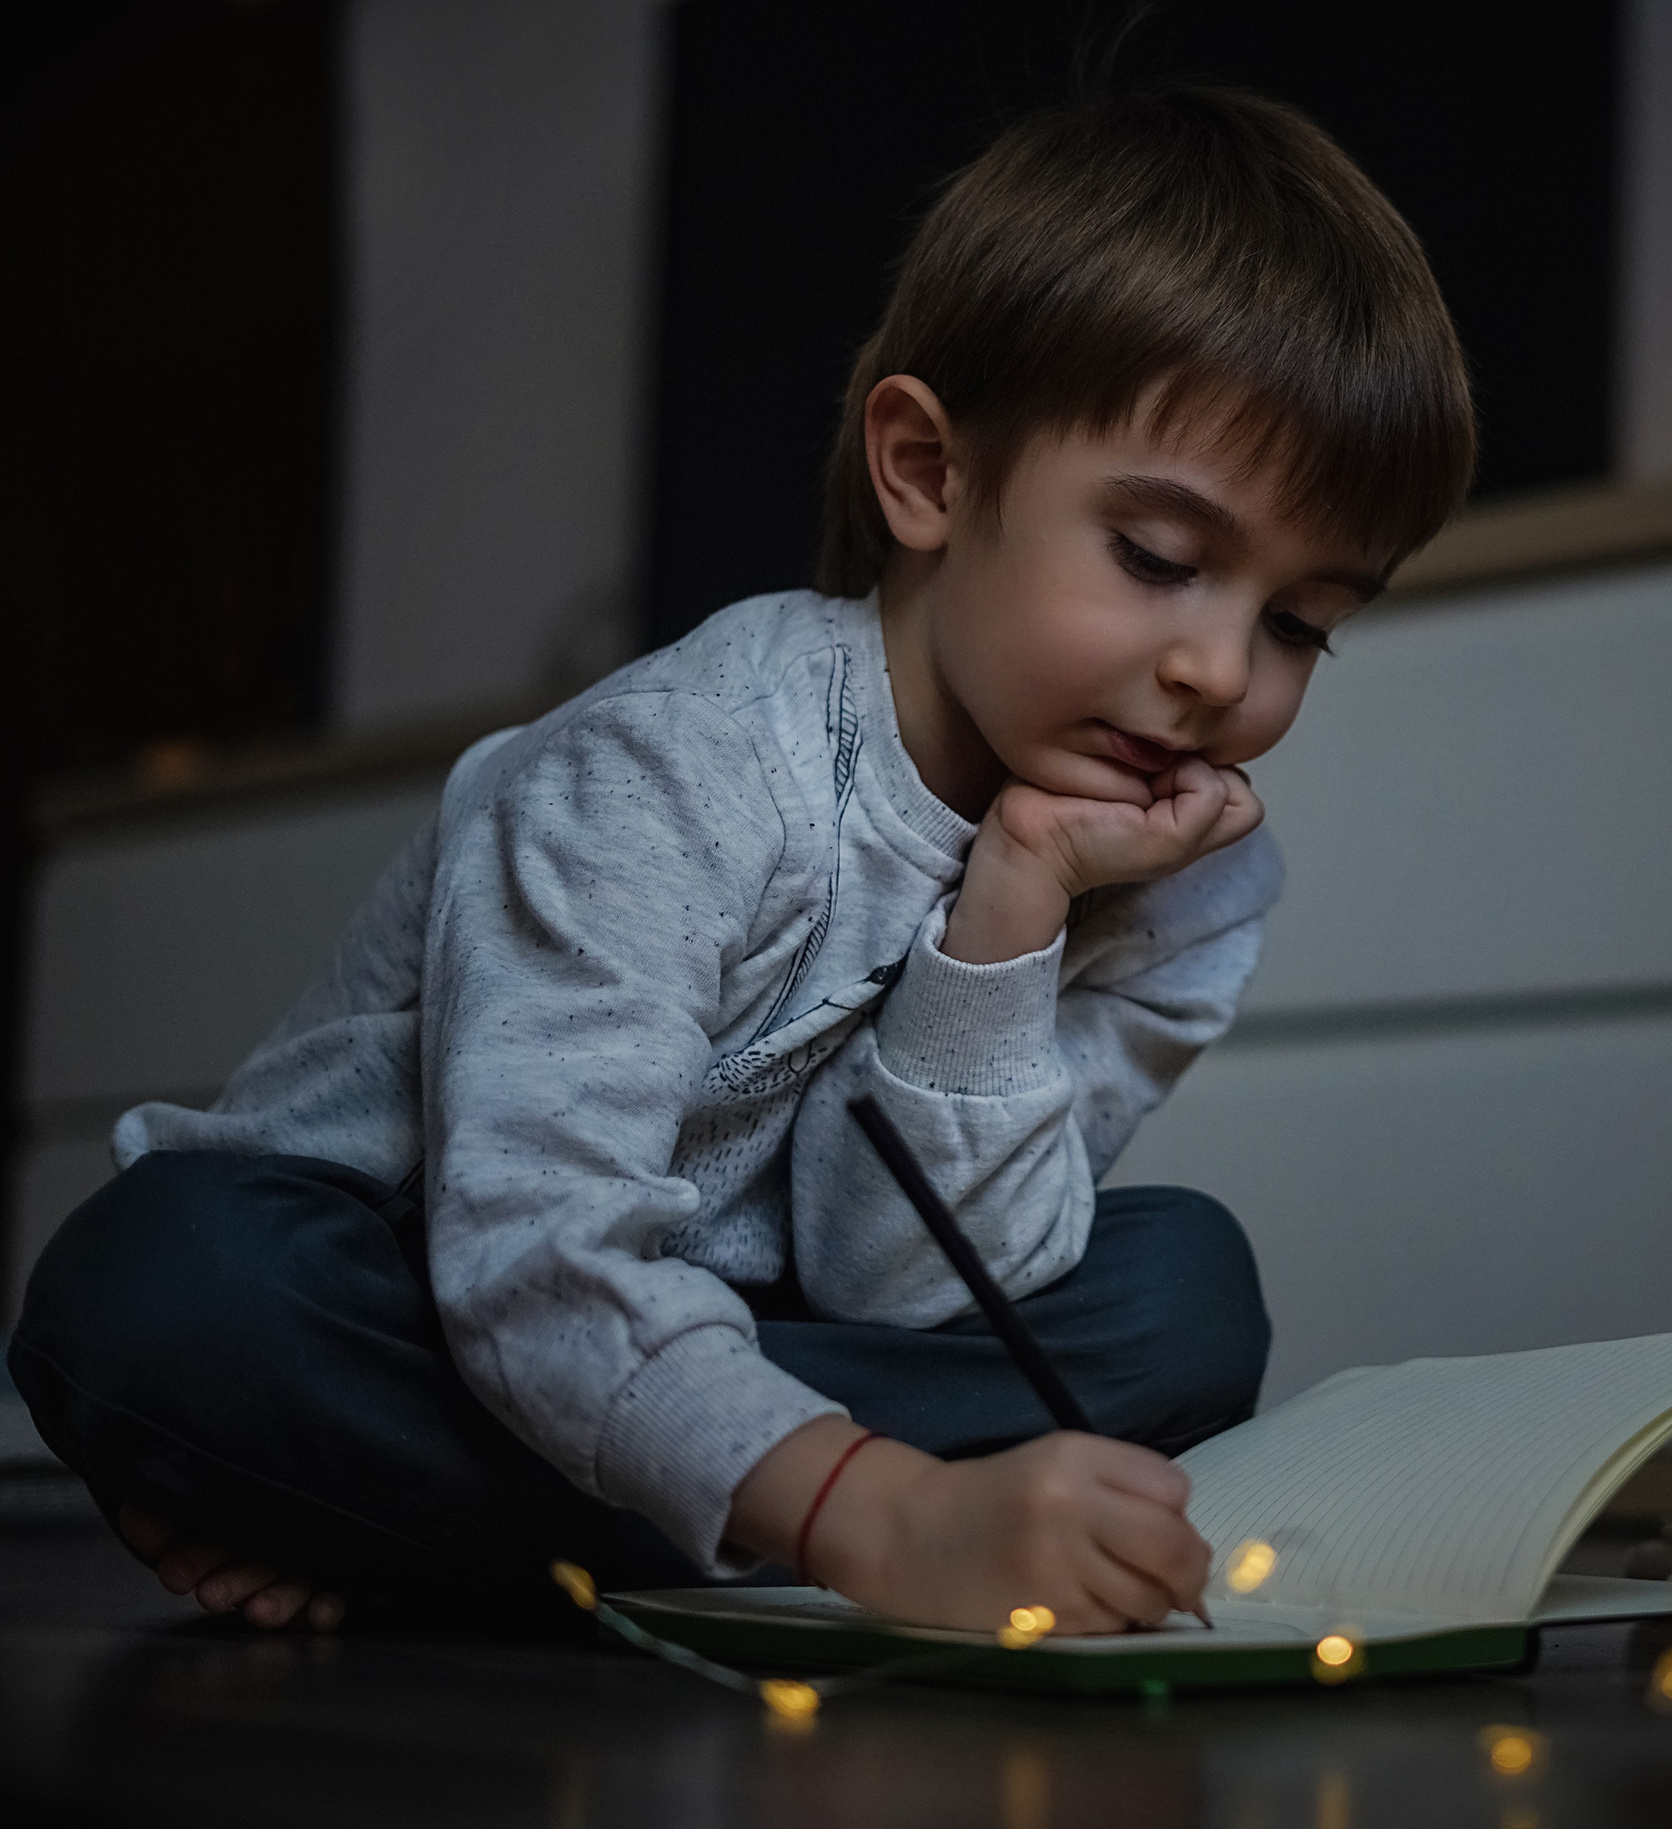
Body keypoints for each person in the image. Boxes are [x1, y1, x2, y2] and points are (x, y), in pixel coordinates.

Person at [8, 85, 1474, 1636]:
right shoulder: (674, 766)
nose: (1218, 671)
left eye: (1299, 622)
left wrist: (1009, 909)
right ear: (929, 472)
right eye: (1158, 560)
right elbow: (530, 1253)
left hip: (781, 1331)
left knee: (1183, 1290)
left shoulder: (1188, 882)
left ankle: (459, 1528)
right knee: (170, 1281)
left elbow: (901, 1285)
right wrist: (887, 1505)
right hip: (441, 1279)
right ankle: (821, 1528)